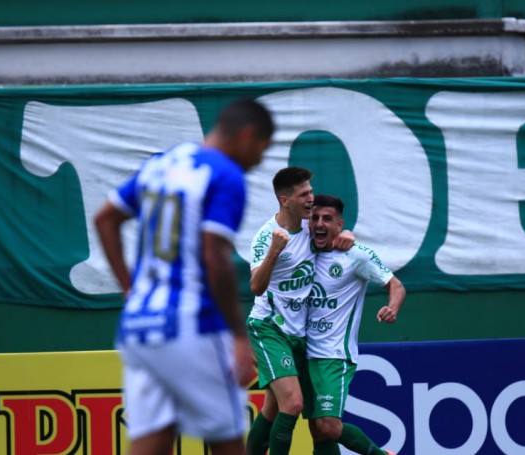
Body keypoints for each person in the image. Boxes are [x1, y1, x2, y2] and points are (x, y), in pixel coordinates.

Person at [93, 98, 274, 455]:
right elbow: (215, 257)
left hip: (140, 326)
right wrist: (238, 335)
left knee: (152, 441)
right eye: (261, 149)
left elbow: (105, 219)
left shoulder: (162, 165)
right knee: (227, 441)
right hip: (192, 327)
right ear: (248, 135)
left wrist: (130, 289)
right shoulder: (225, 174)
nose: (259, 161)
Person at [245, 167, 353, 455]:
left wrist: (347, 235)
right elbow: (256, 286)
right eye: (304, 194)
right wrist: (274, 252)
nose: (311, 199)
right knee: (293, 403)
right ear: (285, 200)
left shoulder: (310, 227)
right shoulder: (267, 236)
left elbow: (334, 238)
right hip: (268, 327)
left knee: (275, 409)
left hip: (299, 335)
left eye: (311, 192)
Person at [305, 194, 405, 455]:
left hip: (333, 354)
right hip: (302, 352)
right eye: (314, 217)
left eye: (327, 219)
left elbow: (396, 285)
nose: (319, 223)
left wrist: (392, 307)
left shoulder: (355, 255)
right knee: (316, 428)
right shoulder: (302, 249)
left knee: (328, 425)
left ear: (339, 224)